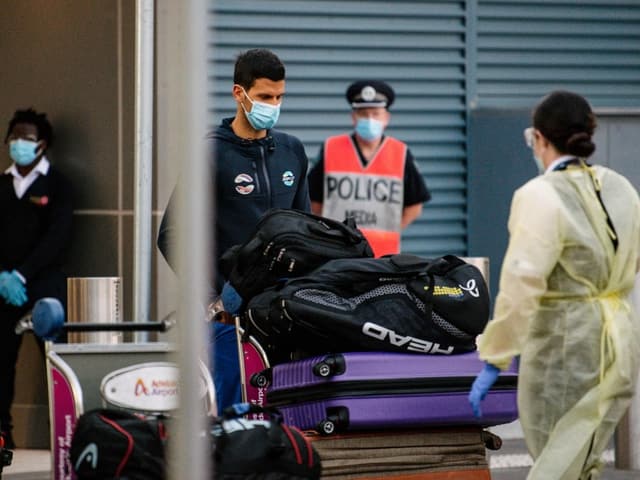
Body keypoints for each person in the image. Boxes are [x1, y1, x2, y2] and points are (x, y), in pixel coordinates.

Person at [468, 91, 640, 479]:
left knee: (555, 461)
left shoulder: (540, 195)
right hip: (621, 340)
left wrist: (496, 358)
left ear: (539, 138)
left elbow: (521, 285)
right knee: (584, 458)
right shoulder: (619, 188)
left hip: (568, 346)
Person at [157, 49, 310, 411]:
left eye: (279, 97)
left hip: (282, 313)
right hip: (229, 320)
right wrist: (216, 295)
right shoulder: (211, 154)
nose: (273, 105)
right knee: (229, 418)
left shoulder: (292, 151)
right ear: (239, 94)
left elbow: (304, 231)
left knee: (283, 417)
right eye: (264, 97)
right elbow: (171, 234)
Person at [0, 108, 73, 449]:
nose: (19, 144)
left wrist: (21, 274)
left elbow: (57, 237)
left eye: (26, 139)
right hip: (3, 292)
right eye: (14, 137)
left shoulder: (57, 185)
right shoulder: (2, 184)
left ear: (42, 144)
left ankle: (64, 437)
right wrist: (2, 276)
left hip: (44, 288)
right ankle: (4, 437)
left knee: (55, 363)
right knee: (1, 365)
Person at [307, 80, 430, 257]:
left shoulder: (400, 153)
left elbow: (415, 207)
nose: (370, 119)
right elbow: (314, 202)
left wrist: (390, 231)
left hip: (384, 256)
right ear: (353, 117)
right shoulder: (331, 148)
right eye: (363, 114)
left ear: (386, 118)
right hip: (336, 254)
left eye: (376, 113)